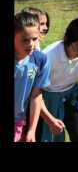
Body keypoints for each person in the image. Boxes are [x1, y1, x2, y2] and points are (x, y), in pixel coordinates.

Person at [14, 12, 51, 142]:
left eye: (34, 39)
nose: (31, 44)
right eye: (25, 40)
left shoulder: (40, 60)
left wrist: (31, 130)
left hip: (18, 120)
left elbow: (36, 95)